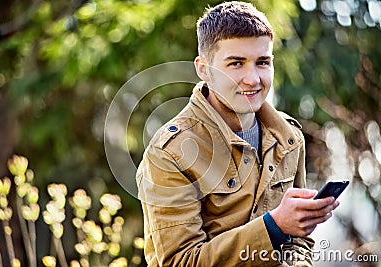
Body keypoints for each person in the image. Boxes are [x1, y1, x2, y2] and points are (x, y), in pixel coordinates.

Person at [135, 1, 339, 266]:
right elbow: (178, 262)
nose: (252, 79)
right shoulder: (169, 153)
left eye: (262, 62)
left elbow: (299, 243)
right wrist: (274, 227)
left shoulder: (289, 138)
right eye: (236, 64)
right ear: (203, 68)